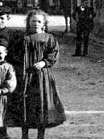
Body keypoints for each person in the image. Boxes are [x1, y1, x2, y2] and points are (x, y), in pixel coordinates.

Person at [7, 9, 65, 139]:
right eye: (33, 21)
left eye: (39, 21)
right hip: (25, 76)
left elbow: (53, 53)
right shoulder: (21, 38)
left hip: (41, 77)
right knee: (25, 103)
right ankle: (24, 134)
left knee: (41, 103)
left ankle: (40, 135)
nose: (36, 24)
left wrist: (44, 63)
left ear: (44, 23)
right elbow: (13, 54)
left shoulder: (49, 38)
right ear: (28, 22)